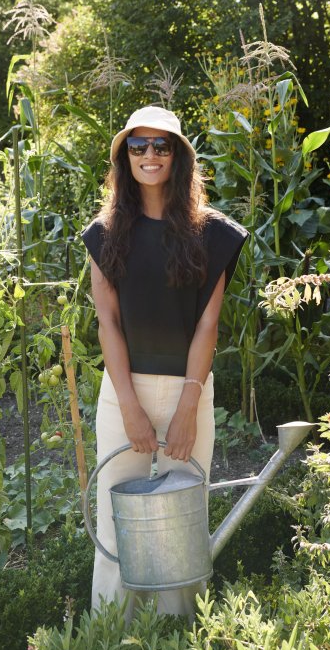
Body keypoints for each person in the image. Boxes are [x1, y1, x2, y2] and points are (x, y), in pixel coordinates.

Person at [81, 105, 247, 620]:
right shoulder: (104, 234)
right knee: (113, 523)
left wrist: (186, 406)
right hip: (121, 391)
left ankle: (178, 637)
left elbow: (207, 325)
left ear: (179, 156)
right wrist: (129, 405)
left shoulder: (214, 234)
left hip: (188, 389)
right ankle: (110, 640)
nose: (149, 155)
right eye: (138, 146)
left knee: (183, 518)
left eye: (161, 145)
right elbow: (107, 323)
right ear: (124, 157)